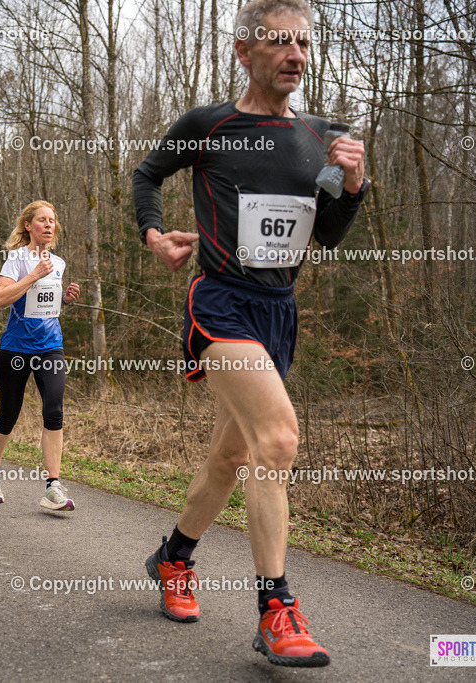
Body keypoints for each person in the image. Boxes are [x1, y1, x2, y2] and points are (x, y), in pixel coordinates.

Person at [131, 0, 369, 668]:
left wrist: (352, 186)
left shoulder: (327, 135)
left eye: (303, 43)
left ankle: (173, 558)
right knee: (280, 438)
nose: (296, 55)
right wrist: (154, 233)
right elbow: (147, 173)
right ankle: (276, 609)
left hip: (279, 312)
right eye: (279, 44)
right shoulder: (209, 125)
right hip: (222, 303)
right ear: (245, 52)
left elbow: (328, 231)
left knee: (229, 459)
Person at [0, 201, 80, 510]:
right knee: (9, 414)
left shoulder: (59, 263)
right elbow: (0, 299)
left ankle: (52, 485)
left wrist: (65, 300)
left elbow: (44, 306)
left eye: (52, 220)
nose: (49, 225)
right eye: (42, 220)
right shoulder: (17, 259)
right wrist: (34, 275)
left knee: (54, 410)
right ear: (29, 225)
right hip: (15, 348)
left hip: (50, 345)